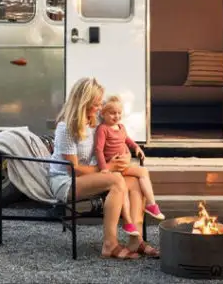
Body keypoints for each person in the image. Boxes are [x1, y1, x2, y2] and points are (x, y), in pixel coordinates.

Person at [48, 77, 160, 259]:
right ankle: (110, 244)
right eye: (96, 104)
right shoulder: (66, 127)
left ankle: (136, 240)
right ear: (84, 102)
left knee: (135, 182)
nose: (100, 108)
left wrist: (124, 157)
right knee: (116, 180)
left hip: (90, 176)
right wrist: (109, 167)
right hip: (65, 182)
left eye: (100, 104)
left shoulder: (94, 124)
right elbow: (73, 169)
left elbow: (110, 145)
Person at [94, 95, 164, 237]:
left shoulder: (121, 127)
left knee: (143, 171)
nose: (116, 116)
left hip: (123, 166)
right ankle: (128, 221)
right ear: (103, 114)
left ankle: (151, 204)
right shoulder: (103, 129)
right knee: (122, 187)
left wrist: (136, 147)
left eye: (119, 113)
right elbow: (98, 150)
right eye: (112, 113)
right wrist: (104, 168)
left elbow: (128, 140)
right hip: (112, 167)